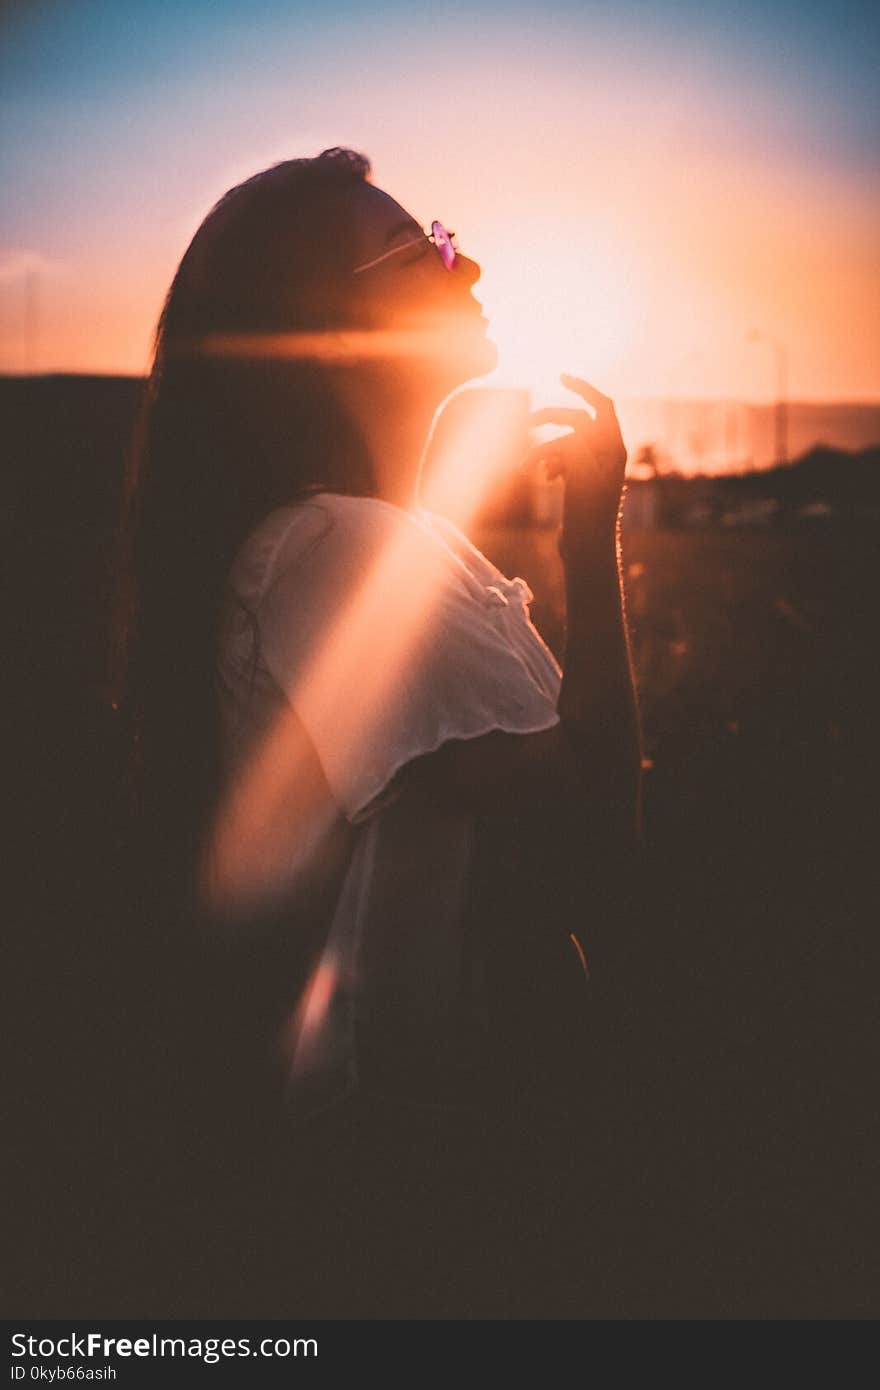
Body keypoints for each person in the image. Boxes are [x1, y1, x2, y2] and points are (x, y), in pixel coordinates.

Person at [112, 147, 641, 1315]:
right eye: (429, 248)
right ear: (334, 325)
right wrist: (591, 551)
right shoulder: (332, 549)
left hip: (454, 1131)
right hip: (403, 1173)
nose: (473, 262)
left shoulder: (393, 540)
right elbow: (597, 804)